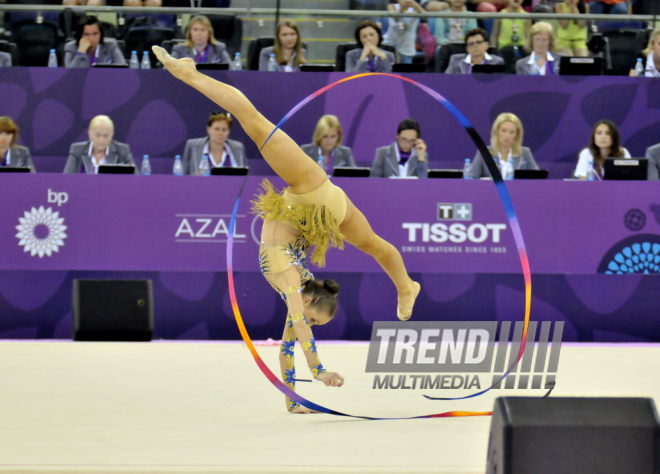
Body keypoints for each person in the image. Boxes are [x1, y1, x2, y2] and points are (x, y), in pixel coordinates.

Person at [153, 45, 421, 412]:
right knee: (251, 118)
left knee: (375, 245)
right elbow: (297, 335)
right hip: (314, 197)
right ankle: (188, 73)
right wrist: (319, 371)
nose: (304, 323)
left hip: (319, 203)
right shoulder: (293, 279)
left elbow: (288, 345)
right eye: (311, 318)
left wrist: (297, 395)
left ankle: (406, 285)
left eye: (311, 321)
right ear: (309, 300)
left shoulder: (296, 283)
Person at [471, 113, 538, 179]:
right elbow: (471, 178)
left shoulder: (525, 153)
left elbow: (538, 177)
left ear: (517, 134)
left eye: (512, 132)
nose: (507, 136)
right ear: (496, 131)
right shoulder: (484, 153)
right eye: (504, 130)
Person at [63, 115, 138, 174]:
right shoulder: (77, 150)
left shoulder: (122, 150)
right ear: (89, 134)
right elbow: (67, 178)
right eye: (98, 135)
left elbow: (136, 178)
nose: (101, 140)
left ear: (112, 135)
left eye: (106, 136)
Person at [181, 111, 247, 175]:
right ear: (208, 129)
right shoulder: (193, 146)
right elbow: (184, 176)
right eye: (216, 129)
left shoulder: (238, 148)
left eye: (224, 130)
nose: (220, 133)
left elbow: (244, 178)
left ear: (229, 131)